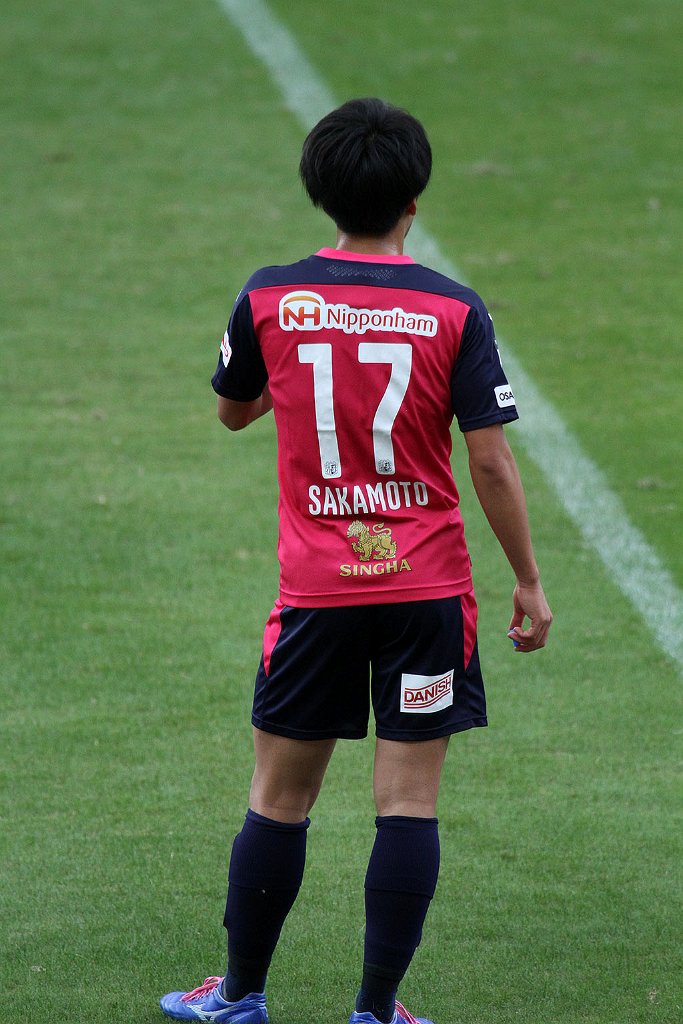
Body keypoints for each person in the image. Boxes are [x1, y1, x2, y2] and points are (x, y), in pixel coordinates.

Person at [159, 97, 552, 1024]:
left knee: (279, 796)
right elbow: (489, 460)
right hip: (427, 594)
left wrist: (299, 371)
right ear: (413, 199)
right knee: (407, 802)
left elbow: (233, 410)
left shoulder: (269, 297)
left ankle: (240, 996)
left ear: (319, 193)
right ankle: (376, 1009)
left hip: (317, 596)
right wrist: (529, 580)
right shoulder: (454, 307)